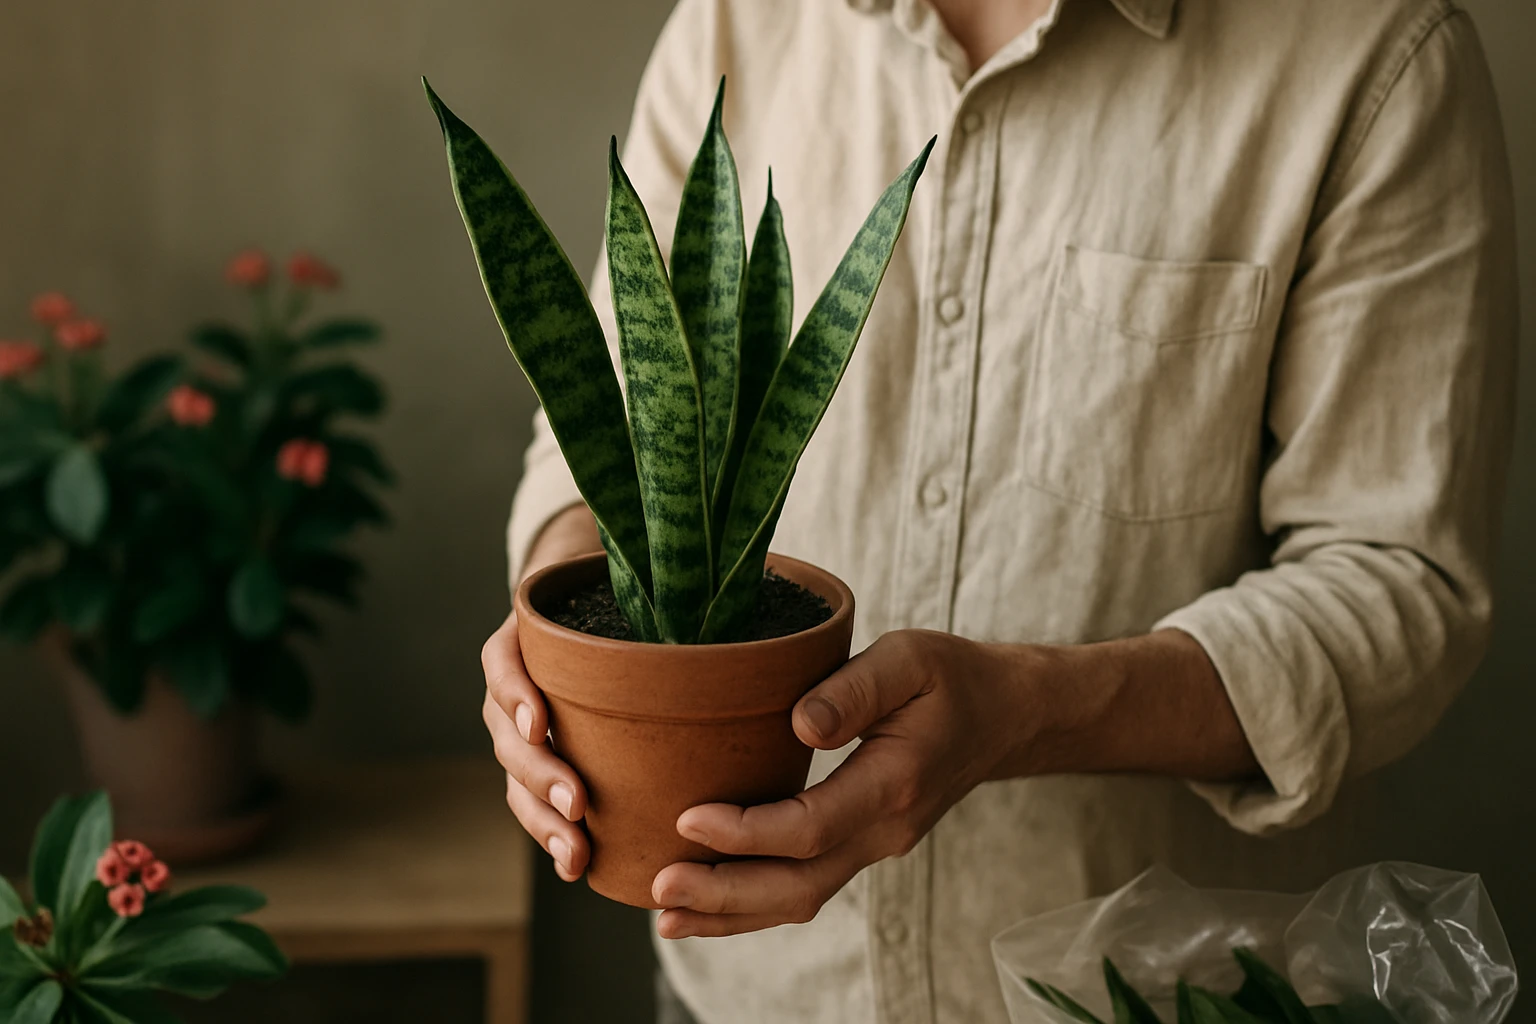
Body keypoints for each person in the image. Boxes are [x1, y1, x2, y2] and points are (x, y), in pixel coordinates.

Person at [481, 0, 1518, 1020]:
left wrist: (1030, 707)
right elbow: (600, 442)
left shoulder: (1375, 50)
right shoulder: (737, 22)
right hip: (755, 994)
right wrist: (553, 656)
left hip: (1145, 997)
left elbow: (1399, 582)